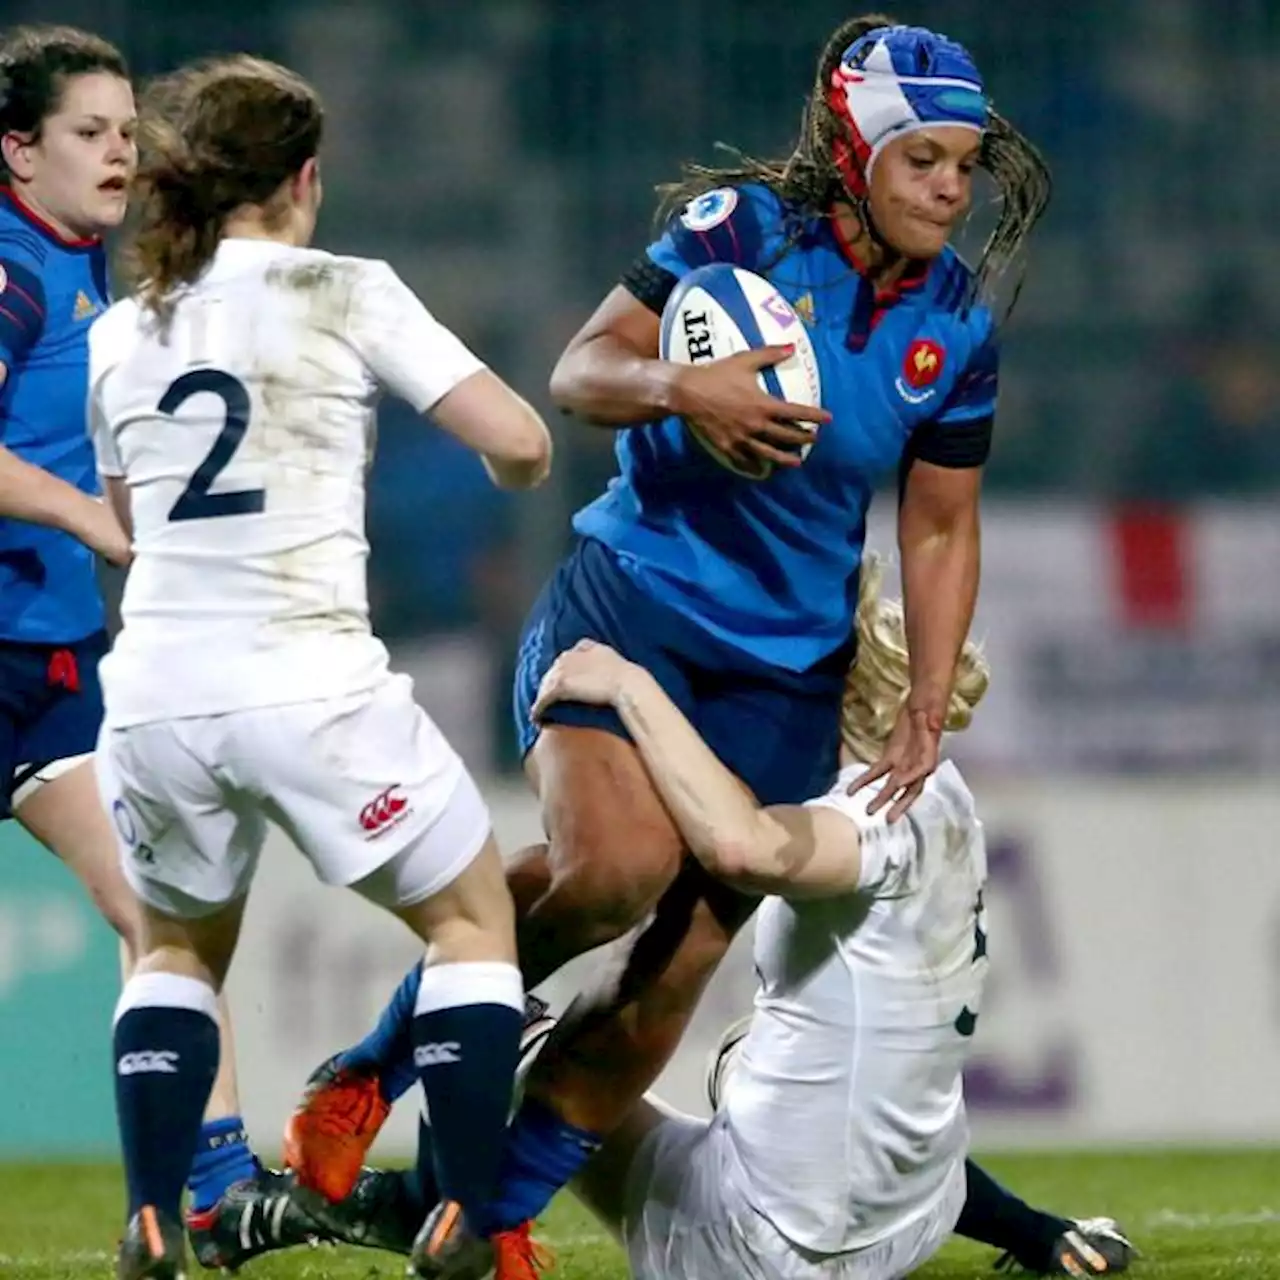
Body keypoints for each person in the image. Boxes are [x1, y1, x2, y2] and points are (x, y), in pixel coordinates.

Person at [287, 14, 1053, 1276]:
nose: (949, 186)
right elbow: (580, 369)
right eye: (923, 157)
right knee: (609, 873)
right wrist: (680, 389)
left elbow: (938, 525)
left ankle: (487, 1206)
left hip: (785, 672)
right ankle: (372, 1066)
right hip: (632, 604)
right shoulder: (739, 233)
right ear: (859, 143)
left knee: (677, 966)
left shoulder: (954, 325)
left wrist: (922, 698)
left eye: (964, 163)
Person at [253, 559, 1134, 1279]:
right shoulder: (942, 792)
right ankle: (433, 1198)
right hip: (904, 1227)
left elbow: (743, 846)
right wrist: (1034, 1230)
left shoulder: (866, 809)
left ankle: (434, 1200)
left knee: (513, 1022)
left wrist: (630, 687)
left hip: (754, 1249)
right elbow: (896, 1128)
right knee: (830, 1079)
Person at [87, 54, 551, 1280]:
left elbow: (129, 519)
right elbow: (518, 443)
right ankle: (460, 1209)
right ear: (303, 177)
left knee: (176, 950)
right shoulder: (342, 288)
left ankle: (150, 1213)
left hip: (156, 694)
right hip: (307, 679)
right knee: (468, 917)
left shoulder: (119, 330)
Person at [0, 23, 262, 1236]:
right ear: (17, 148)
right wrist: (91, 519)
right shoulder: (6, 270)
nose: (119, 153)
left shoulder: (89, 271)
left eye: (125, 131)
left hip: (44, 663)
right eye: (87, 133)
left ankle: (208, 1187)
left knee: (161, 902)